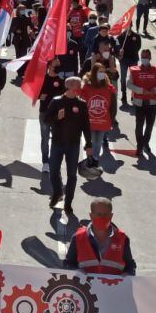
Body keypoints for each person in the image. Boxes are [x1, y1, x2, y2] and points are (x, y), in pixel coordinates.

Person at [45, 77, 93, 215]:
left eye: (77, 84)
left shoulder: (82, 104)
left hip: (73, 145)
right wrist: (57, 118)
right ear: (67, 86)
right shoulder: (56, 101)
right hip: (57, 143)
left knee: (72, 175)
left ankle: (68, 203)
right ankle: (57, 193)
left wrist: (88, 144)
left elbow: (86, 126)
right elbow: (47, 120)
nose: (75, 86)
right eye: (72, 84)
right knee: (54, 171)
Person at [63, 198, 136, 275]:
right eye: (99, 215)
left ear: (111, 216)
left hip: (113, 286)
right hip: (86, 286)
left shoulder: (123, 239)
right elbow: (68, 263)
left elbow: (130, 265)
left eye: (105, 215)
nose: (102, 218)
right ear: (91, 216)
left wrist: (128, 274)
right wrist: (75, 271)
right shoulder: (78, 238)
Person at [128, 49, 156, 158]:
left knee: (149, 125)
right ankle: (140, 145)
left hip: (152, 103)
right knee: (139, 125)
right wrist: (140, 90)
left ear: (150, 58)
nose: (144, 59)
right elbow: (129, 84)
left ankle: (146, 142)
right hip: (139, 103)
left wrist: (155, 89)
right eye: (143, 56)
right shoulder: (134, 70)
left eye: (146, 57)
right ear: (140, 57)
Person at [80, 62, 117, 160]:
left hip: (103, 121)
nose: (102, 74)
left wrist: (112, 120)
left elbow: (113, 106)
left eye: (103, 72)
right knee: (91, 140)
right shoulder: (87, 87)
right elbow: (81, 101)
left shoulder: (109, 87)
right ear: (94, 73)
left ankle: (94, 159)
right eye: (99, 72)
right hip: (89, 121)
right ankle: (91, 158)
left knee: (98, 141)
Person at [37, 59, 65, 175]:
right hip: (44, 113)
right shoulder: (42, 79)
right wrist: (40, 96)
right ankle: (45, 162)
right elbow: (36, 93)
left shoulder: (61, 80)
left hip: (57, 115)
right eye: (56, 64)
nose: (58, 66)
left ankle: (55, 161)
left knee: (57, 138)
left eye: (59, 64)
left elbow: (64, 96)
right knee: (45, 138)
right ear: (49, 66)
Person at [115, 25, 142, 105]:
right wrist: (120, 52)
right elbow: (117, 49)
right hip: (124, 60)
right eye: (126, 26)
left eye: (129, 26)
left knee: (134, 78)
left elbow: (138, 47)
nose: (127, 28)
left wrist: (132, 48)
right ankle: (124, 94)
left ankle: (133, 95)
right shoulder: (120, 37)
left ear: (131, 26)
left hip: (133, 59)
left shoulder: (136, 36)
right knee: (123, 78)